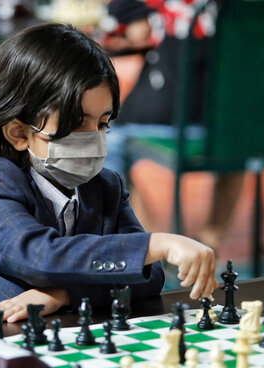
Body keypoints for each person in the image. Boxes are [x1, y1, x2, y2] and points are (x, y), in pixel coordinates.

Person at [0, 23, 218, 323]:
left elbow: (149, 275)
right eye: (77, 123)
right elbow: (40, 256)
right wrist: (156, 244)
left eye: (103, 124)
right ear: (19, 133)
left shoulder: (106, 186)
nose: (94, 137)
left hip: (70, 337)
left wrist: (63, 295)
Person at [104, 0, 245, 256]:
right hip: (239, 125)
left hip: (167, 117)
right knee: (237, 148)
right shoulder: (253, 8)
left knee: (102, 143)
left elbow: (123, 19)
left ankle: (158, 248)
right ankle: (210, 239)